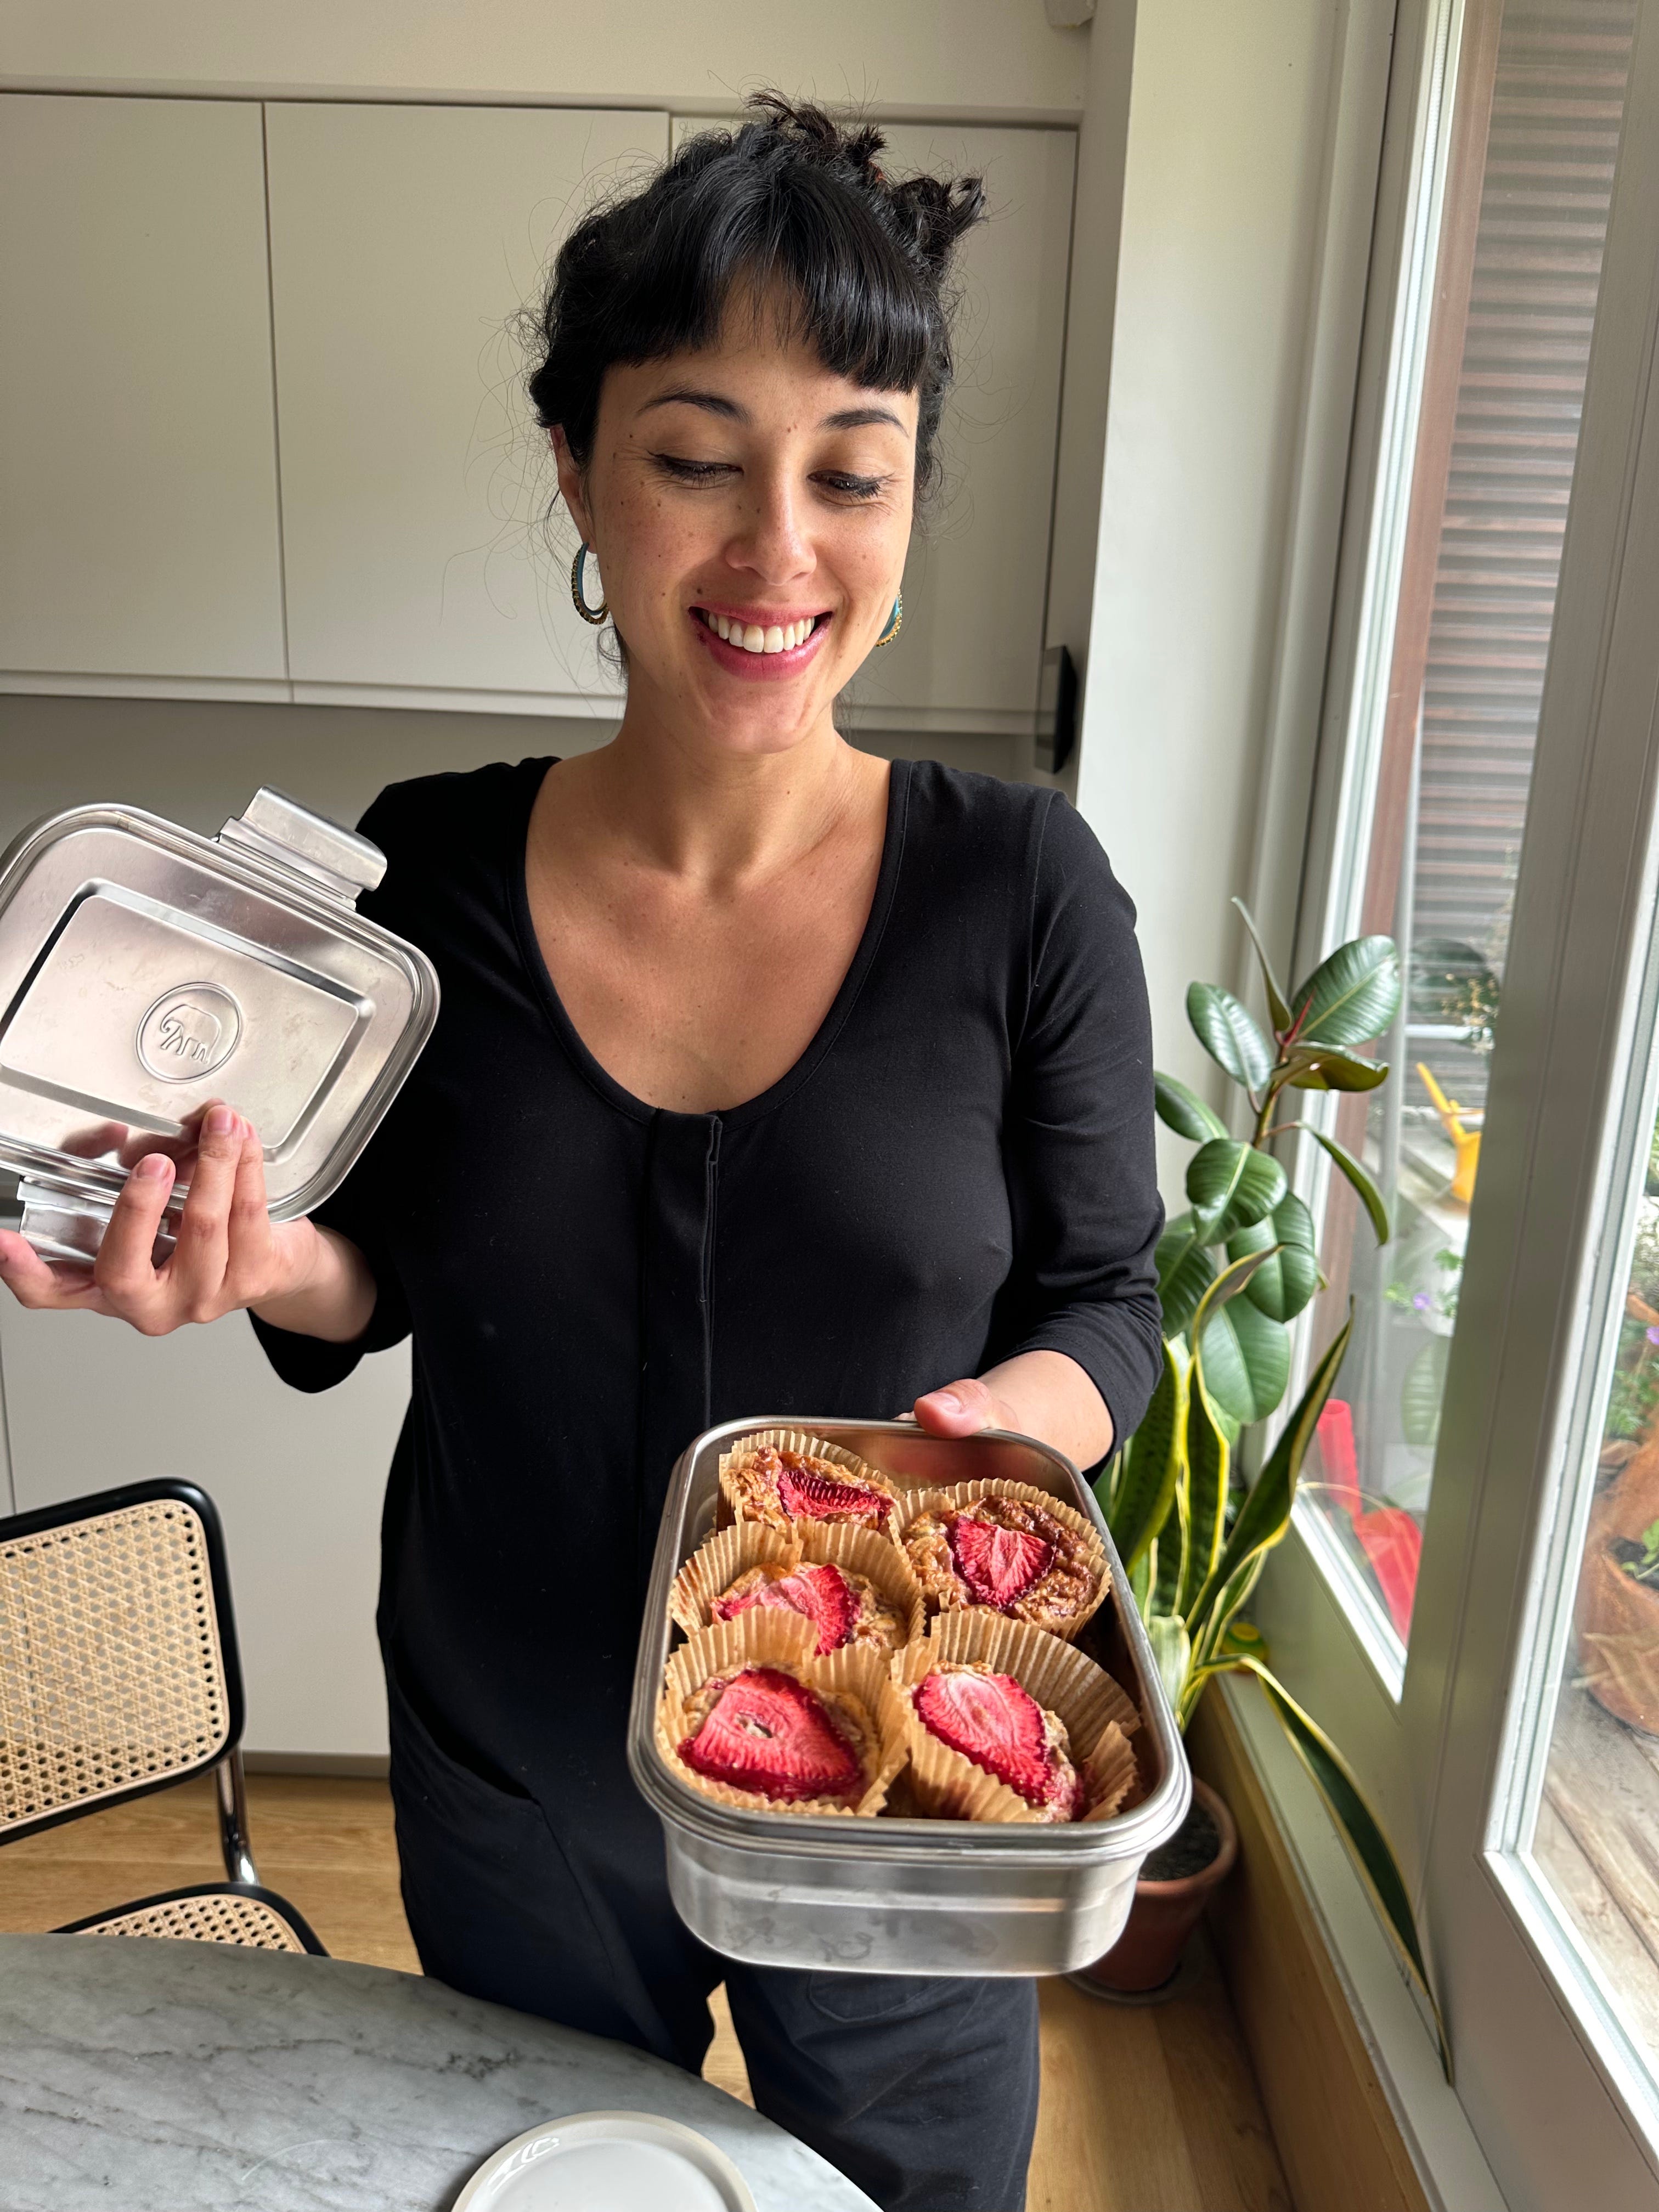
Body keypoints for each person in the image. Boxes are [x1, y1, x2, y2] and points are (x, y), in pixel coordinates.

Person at [0, 97, 1163, 2212]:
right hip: (511, 1758)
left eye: (851, 474)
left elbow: (1112, 1302)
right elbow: (378, 1268)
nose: (778, 551)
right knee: (544, 2180)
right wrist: (261, 1262)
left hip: (896, 1813)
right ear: (579, 469)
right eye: (698, 459)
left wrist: (1013, 1423)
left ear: (912, 502)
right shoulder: (427, 870)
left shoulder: (1024, 889)